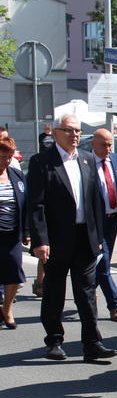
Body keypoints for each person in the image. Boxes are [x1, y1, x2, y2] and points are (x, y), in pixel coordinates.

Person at [26, 114, 117, 362]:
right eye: (68, 130)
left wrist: (98, 236)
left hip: (85, 236)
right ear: (55, 133)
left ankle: (92, 343)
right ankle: (54, 340)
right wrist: (40, 240)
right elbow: (36, 205)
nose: (74, 135)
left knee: (86, 292)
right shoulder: (42, 162)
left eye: (77, 131)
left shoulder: (87, 159)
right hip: (56, 239)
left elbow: (95, 200)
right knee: (54, 291)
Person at [91, 129, 117, 322]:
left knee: (101, 264)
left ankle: (86, 292)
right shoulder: (85, 162)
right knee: (104, 262)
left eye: (110, 145)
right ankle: (115, 306)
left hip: (113, 219)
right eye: (103, 145)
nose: (107, 149)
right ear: (93, 144)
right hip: (95, 222)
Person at [0, 136, 29, 329]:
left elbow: (25, 205)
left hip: (12, 234)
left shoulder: (17, 176)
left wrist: (26, 231)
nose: (6, 160)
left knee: (13, 271)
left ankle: (7, 309)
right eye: (3, 156)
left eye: (9, 157)